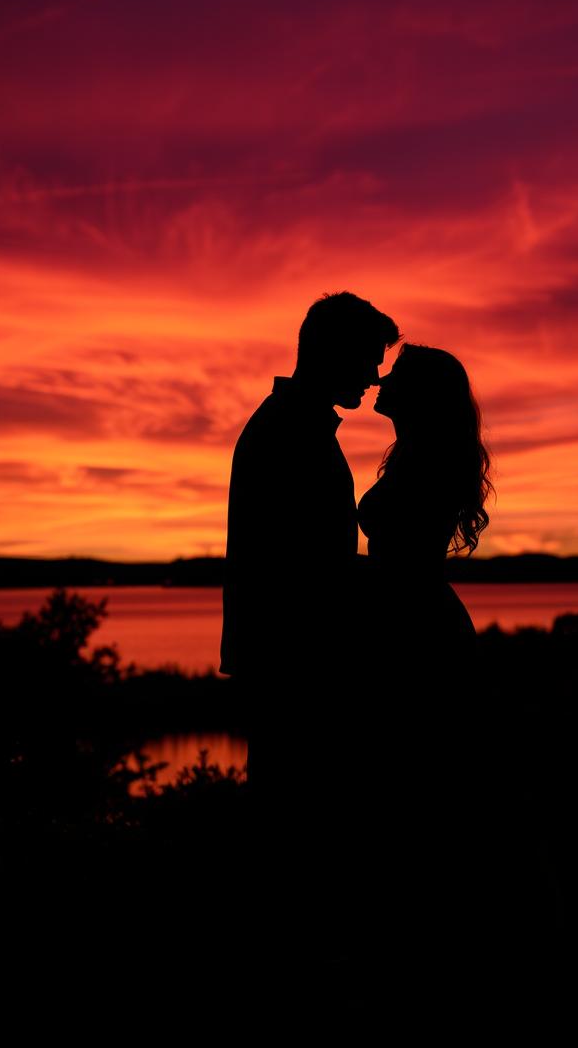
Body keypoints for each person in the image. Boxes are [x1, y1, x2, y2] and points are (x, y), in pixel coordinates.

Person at [219, 290, 399, 952]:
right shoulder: (287, 436)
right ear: (334, 353)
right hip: (296, 670)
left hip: (292, 666)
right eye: (368, 361)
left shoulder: (292, 427)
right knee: (296, 837)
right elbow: (297, 571)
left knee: (295, 834)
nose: (374, 377)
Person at [356, 342, 493, 973]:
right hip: (409, 620)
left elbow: (403, 564)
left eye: (397, 374)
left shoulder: (430, 460)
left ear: (421, 394)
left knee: (418, 783)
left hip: (417, 629)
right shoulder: (414, 455)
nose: (382, 378)